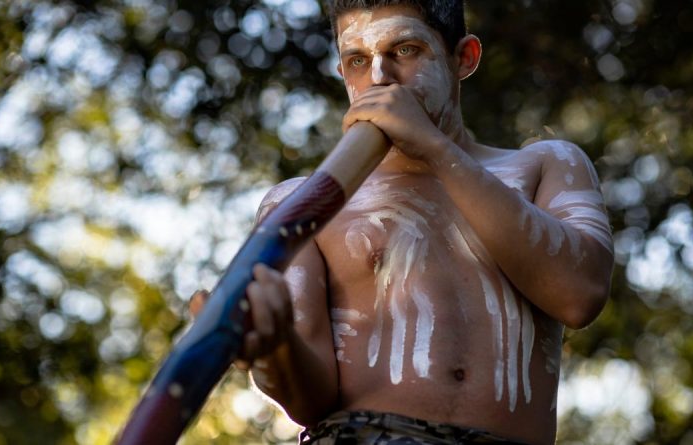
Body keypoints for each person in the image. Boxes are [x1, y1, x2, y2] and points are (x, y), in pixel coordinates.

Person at [192, 1, 614, 443]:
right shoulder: (300, 202)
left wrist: (434, 148)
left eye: (406, 50)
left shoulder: (545, 165)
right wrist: (273, 348)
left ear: (464, 58)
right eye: (357, 61)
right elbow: (310, 402)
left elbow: (578, 296)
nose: (378, 78)